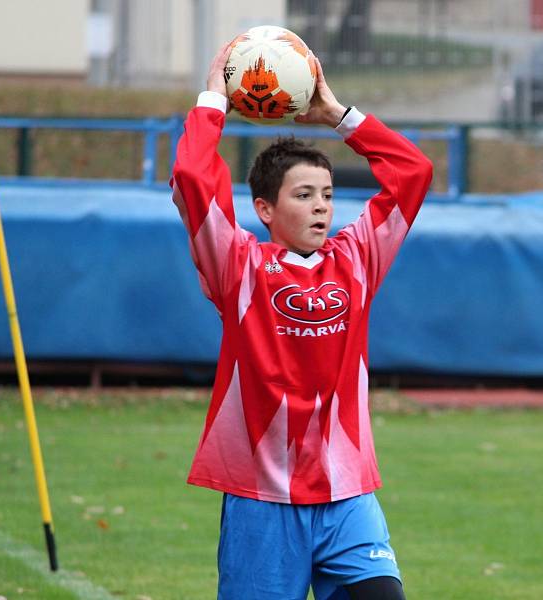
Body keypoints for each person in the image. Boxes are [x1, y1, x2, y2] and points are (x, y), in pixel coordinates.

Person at [170, 40, 432, 600]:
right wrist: (213, 101)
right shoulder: (237, 265)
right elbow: (193, 180)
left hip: (348, 495)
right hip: (260, 499)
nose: (321, 206)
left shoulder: (357, 258)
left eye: (328, 195)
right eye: (304, 194)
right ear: (265, 209)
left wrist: (338, 115)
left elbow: (413, 173)